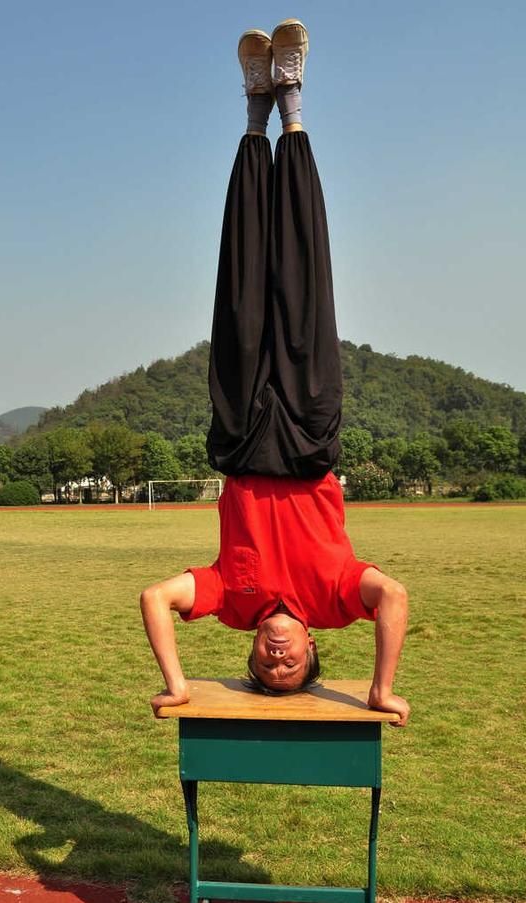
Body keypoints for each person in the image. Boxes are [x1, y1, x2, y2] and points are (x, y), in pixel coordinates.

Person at [141, 20, 410, 726]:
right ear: (314, 647)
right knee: (301, 276)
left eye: (266, 668)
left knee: (239, 286)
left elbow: (154, 600)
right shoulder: (335, 598)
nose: (275, 659)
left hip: (238, 435)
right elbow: (396, 597)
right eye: (291, 667)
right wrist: (379, 688)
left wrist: (176, 681)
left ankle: (253, 112)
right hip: (307, 432)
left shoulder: (232, 603)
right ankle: (292, 103)